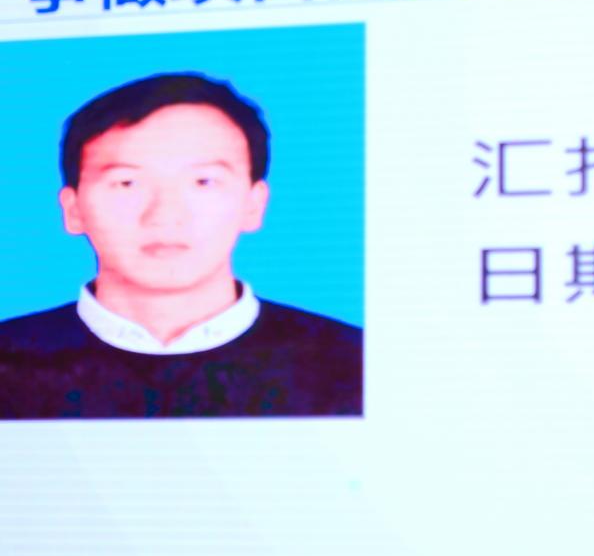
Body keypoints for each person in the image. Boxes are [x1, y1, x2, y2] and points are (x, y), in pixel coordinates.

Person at [0, 73, 362, 419]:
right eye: (127, 183)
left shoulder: (354, 361)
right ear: (73, 210)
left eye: (203, 182)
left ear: (254, 204)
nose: (165, 215)